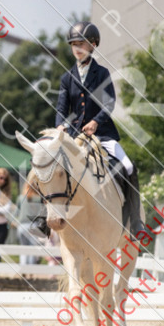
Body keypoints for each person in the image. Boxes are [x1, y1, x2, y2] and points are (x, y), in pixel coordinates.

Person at [56, 21, 144, 235]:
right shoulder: (67, 78)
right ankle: (47, 216)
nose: (77, 48)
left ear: (93, 45)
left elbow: (109, 103)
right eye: (74, 44)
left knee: (129, 166)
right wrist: (59, 126)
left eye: (81, 44)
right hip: (75, 137)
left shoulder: (102, 73)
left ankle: (135, 221)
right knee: (52, 167)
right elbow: (61, 108)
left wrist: (96, 121)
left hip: (102, 135)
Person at [14, 180, 47, 265]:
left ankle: (23, 267)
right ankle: (31, 269)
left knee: (23, 248)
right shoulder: (39, 199)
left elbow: (16, 213)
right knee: (33, 248)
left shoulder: (20, 198)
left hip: (22, 226)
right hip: (34, 226)